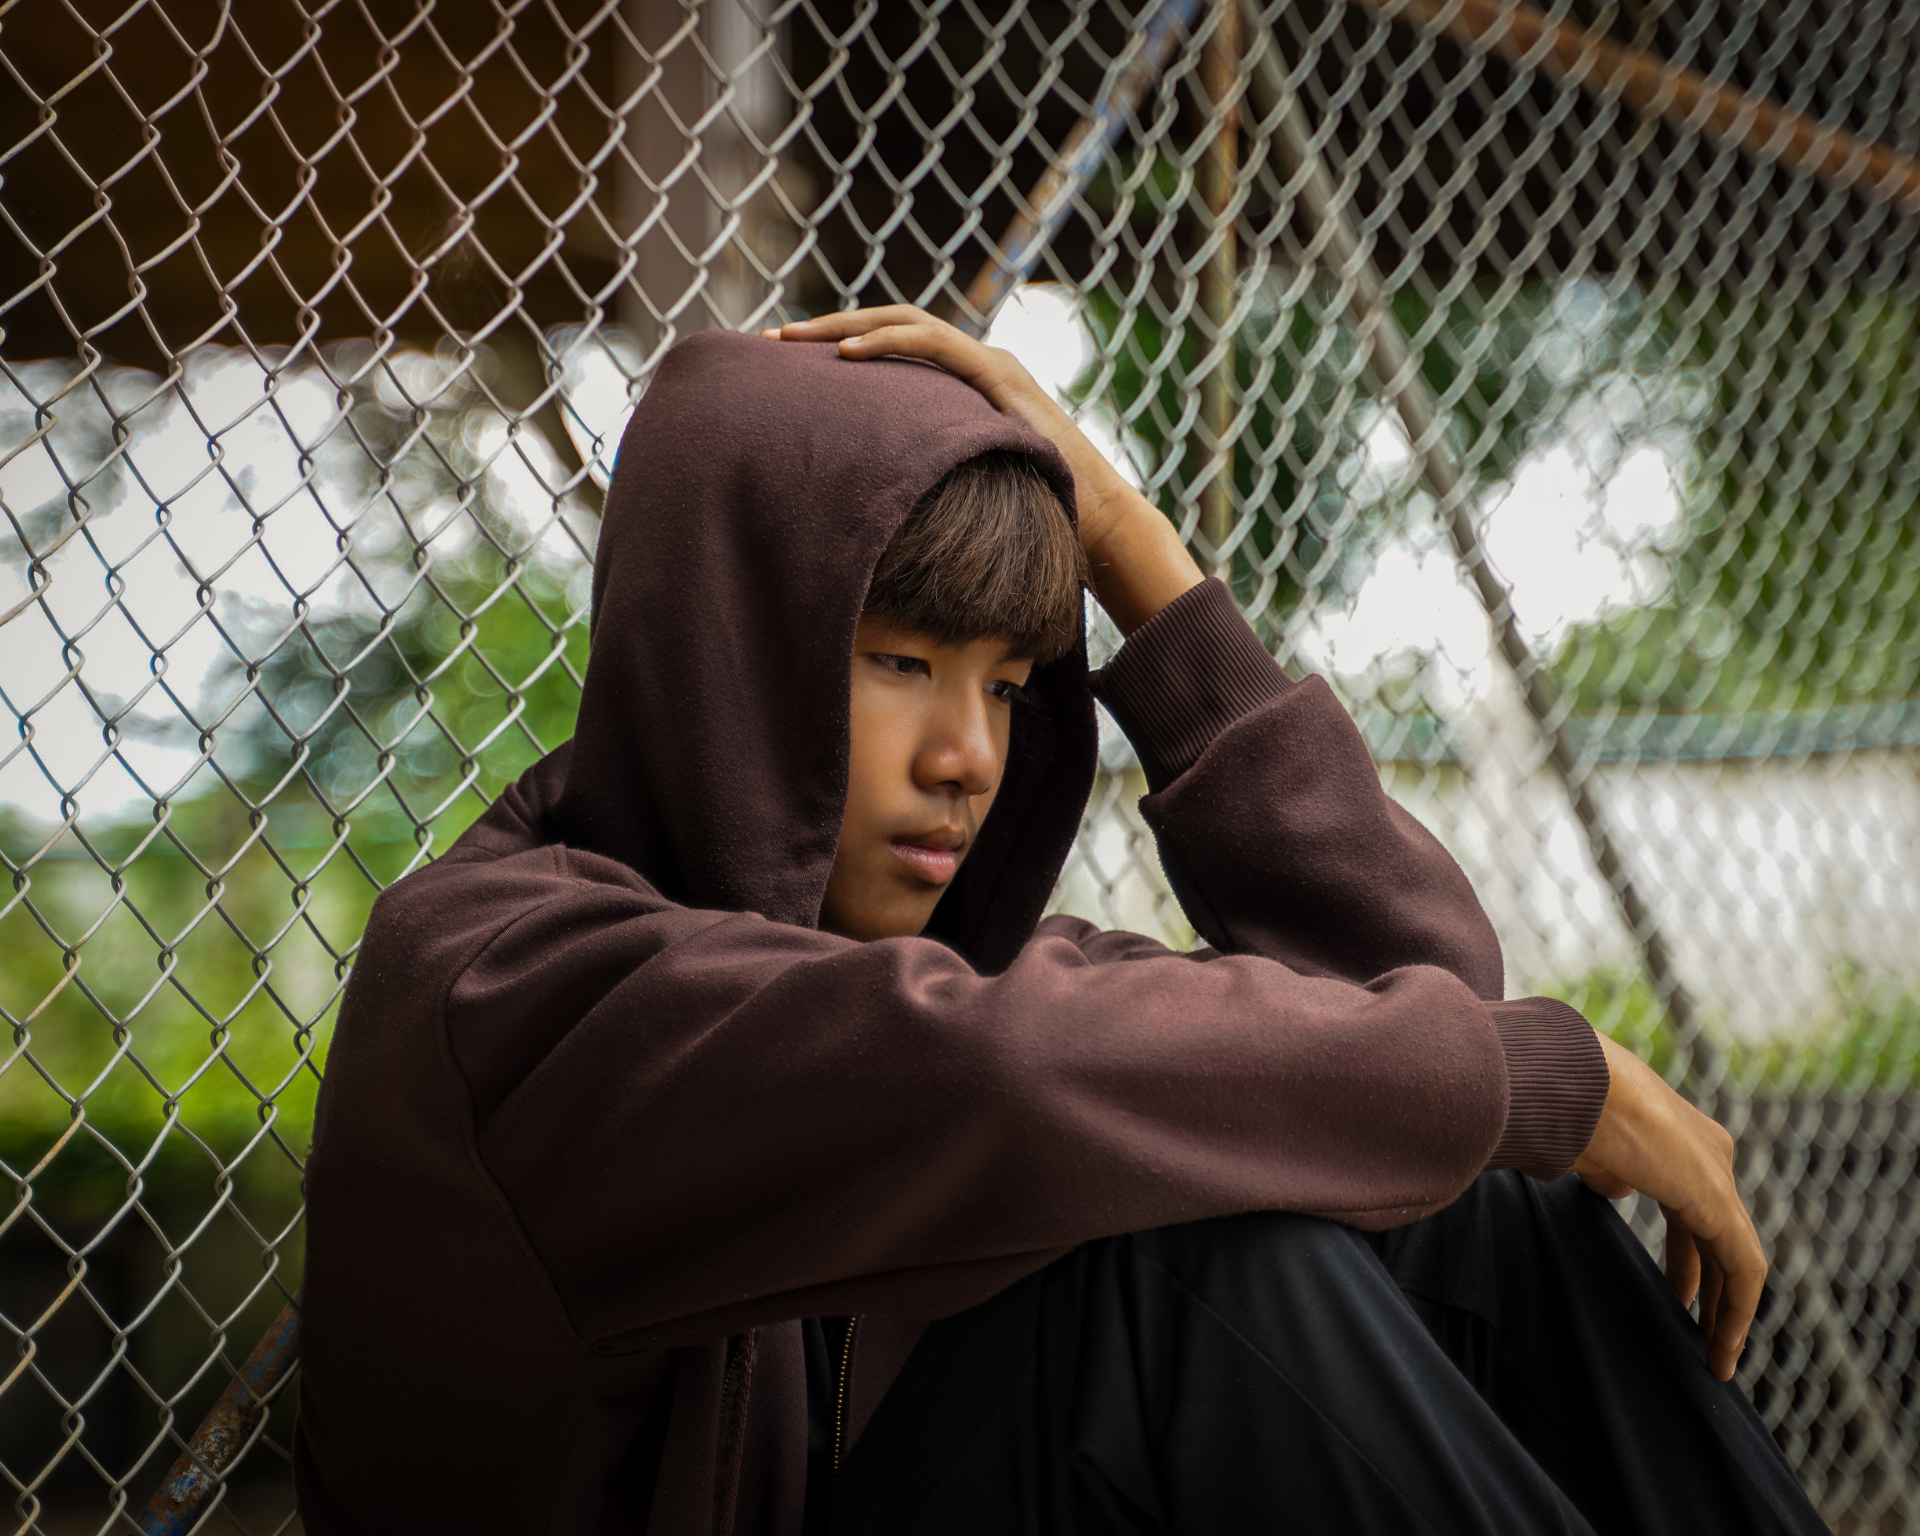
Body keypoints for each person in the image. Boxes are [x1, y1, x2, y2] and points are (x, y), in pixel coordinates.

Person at [294, 307, 1826, 1536]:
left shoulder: (936, 968)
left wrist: (1121, 534)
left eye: (1013, 687)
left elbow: (1407, 988)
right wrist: (1546, 1080)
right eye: (900, 662)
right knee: (1173, 1278)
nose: (970, 755)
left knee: (1472, 1205)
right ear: (728, 640)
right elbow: (996, 1080)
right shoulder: (503, 980)